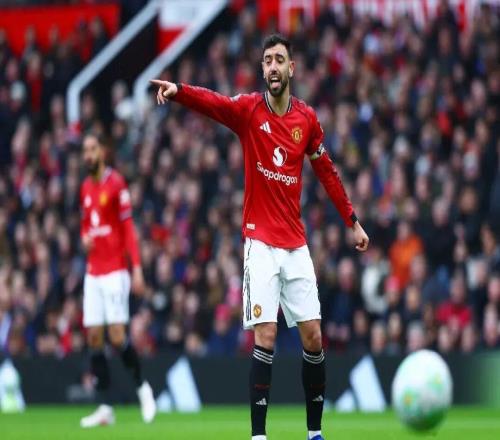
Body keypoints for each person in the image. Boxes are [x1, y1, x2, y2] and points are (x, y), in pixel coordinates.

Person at [151, 34, 369, 440]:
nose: (272, 66)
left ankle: (314, 433)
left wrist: (351, 220)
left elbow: (327, 171)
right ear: (263, 69)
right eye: (267, 60)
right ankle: (258, 436)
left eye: (279, 59)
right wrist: (179, 91)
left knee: (314, 337)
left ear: (291, 69)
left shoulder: (307, 120)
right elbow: (214, 103)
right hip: (261, 244)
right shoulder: (249, 110)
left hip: (296, 244)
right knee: (265, 335)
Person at [79, 133, 156, 427]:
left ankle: (143, 389)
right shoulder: (85, 188)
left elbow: (128, 229)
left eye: (92, 149)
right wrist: (84, 238)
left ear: (102, 151)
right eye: (85, 150)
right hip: (93, 271)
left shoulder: (116, 184)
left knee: (116, 335)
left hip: (114, 270)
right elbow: (85, 225)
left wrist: (136, 269)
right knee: (94, 337)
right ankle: (105, 407)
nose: (88, 155)